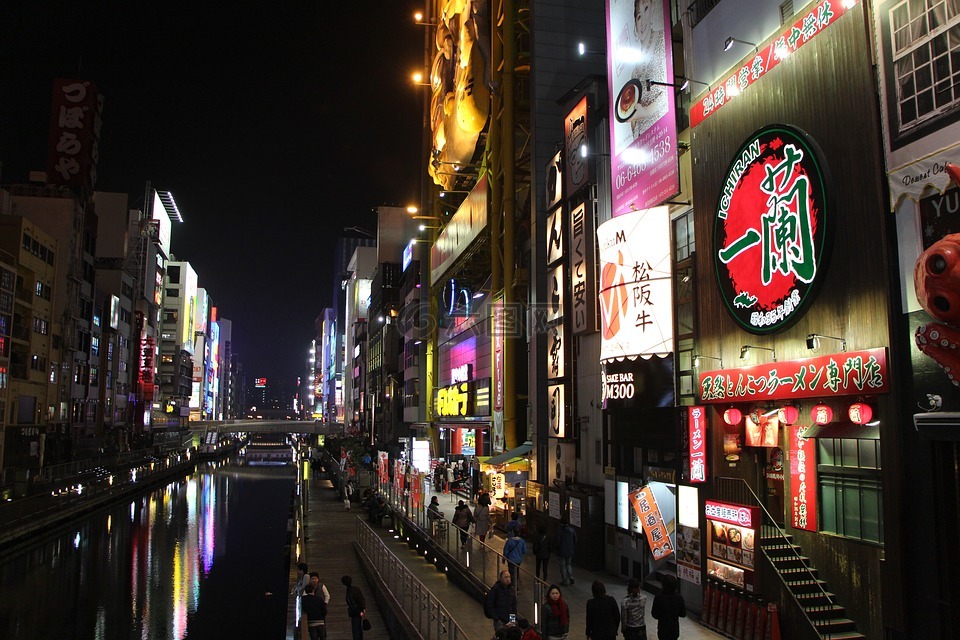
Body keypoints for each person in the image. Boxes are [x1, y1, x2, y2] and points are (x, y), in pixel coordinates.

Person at [651, 574, 685, 640]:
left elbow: (654, 614)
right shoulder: (679, 598)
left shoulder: (659, 597)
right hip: (674, 629)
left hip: (662, 629)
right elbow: (683, 614)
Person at [484, 569, 518, 633]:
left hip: (510, 620)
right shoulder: (495, 590)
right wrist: (497, 619)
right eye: (505, 577)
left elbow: (514, 605)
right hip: (500, 621)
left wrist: (512, 619)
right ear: (501, 579)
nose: (508, 579)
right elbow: (490, 605)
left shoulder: (511, 589)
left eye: (509, 577)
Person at [341, 574, 367, 640]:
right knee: (359, 628)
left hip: (355, 613)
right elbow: (362, 598)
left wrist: (358, 612)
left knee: (355, 629)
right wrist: (363, 608)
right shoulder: (356, 589)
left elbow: (352, 604)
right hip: (361, 610)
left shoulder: (349, 592)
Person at [553, 516, 577, 586]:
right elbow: (575, 540)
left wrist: (556, 548)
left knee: (562, 565)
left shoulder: (560, 531)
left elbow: (557, 542)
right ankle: (571, 576)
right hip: (570, 550)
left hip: (562, 551)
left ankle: (564, 580)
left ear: (561, 523)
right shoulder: (572, 530)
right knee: (568, 564)